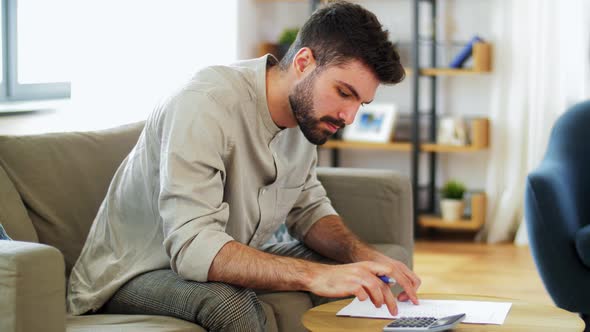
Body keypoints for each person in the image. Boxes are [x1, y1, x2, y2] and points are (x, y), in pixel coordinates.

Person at [67, 1, 421, 330]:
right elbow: (193, 248)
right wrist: (312, 276)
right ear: (303, 63)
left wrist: (365, 256)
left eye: (361, 102)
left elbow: (308, 210)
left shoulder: (305, 120)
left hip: (214, 255)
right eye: (344, 93)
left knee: (368, 273)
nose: (349, 116)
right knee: (228, 303)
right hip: (135, 272)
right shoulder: (205, 103)